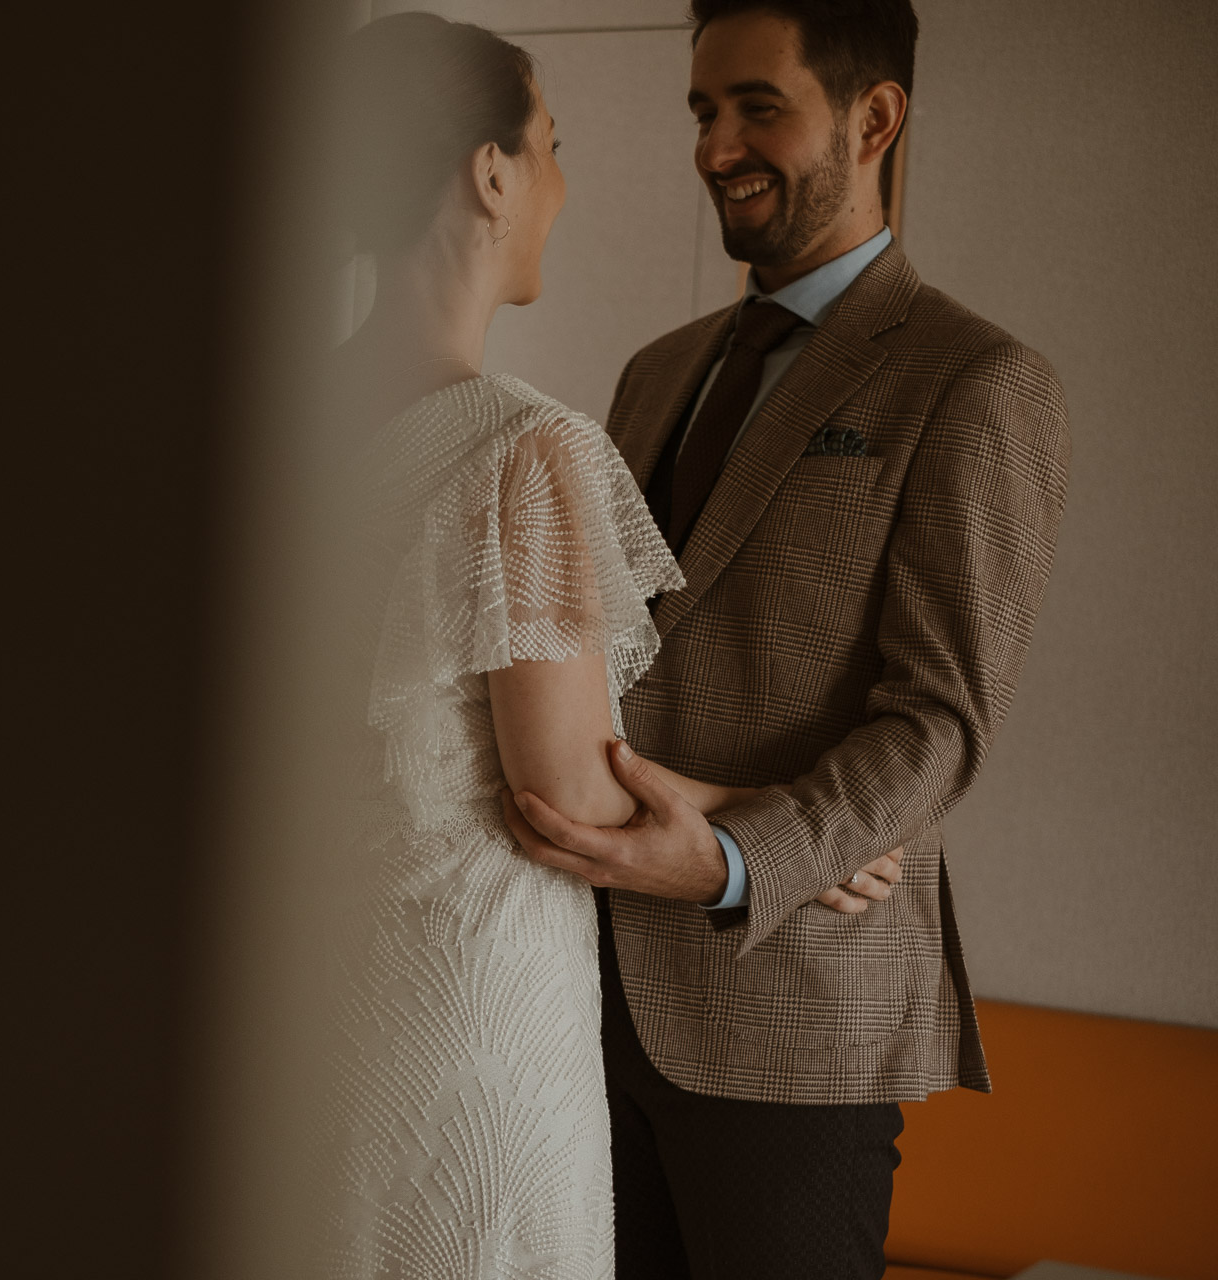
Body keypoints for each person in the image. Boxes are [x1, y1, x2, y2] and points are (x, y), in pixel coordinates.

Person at [494, 2, 1071, 1277]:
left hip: (793, 1018)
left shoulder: (971, 379)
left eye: (759, 106)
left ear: (873, 119)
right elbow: (602, 651)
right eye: (703, 110)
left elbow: (939, 719)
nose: (714, 145)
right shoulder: (656, 371)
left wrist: (739, 854)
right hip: (578, 999)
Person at [320, 13, 899, 1278]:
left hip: (311, 1004)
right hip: (464, 1023)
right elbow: (565, 795)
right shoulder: (517, 445)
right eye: (552, 143)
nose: (558, 185)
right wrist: (782, 821)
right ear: (488, 172)